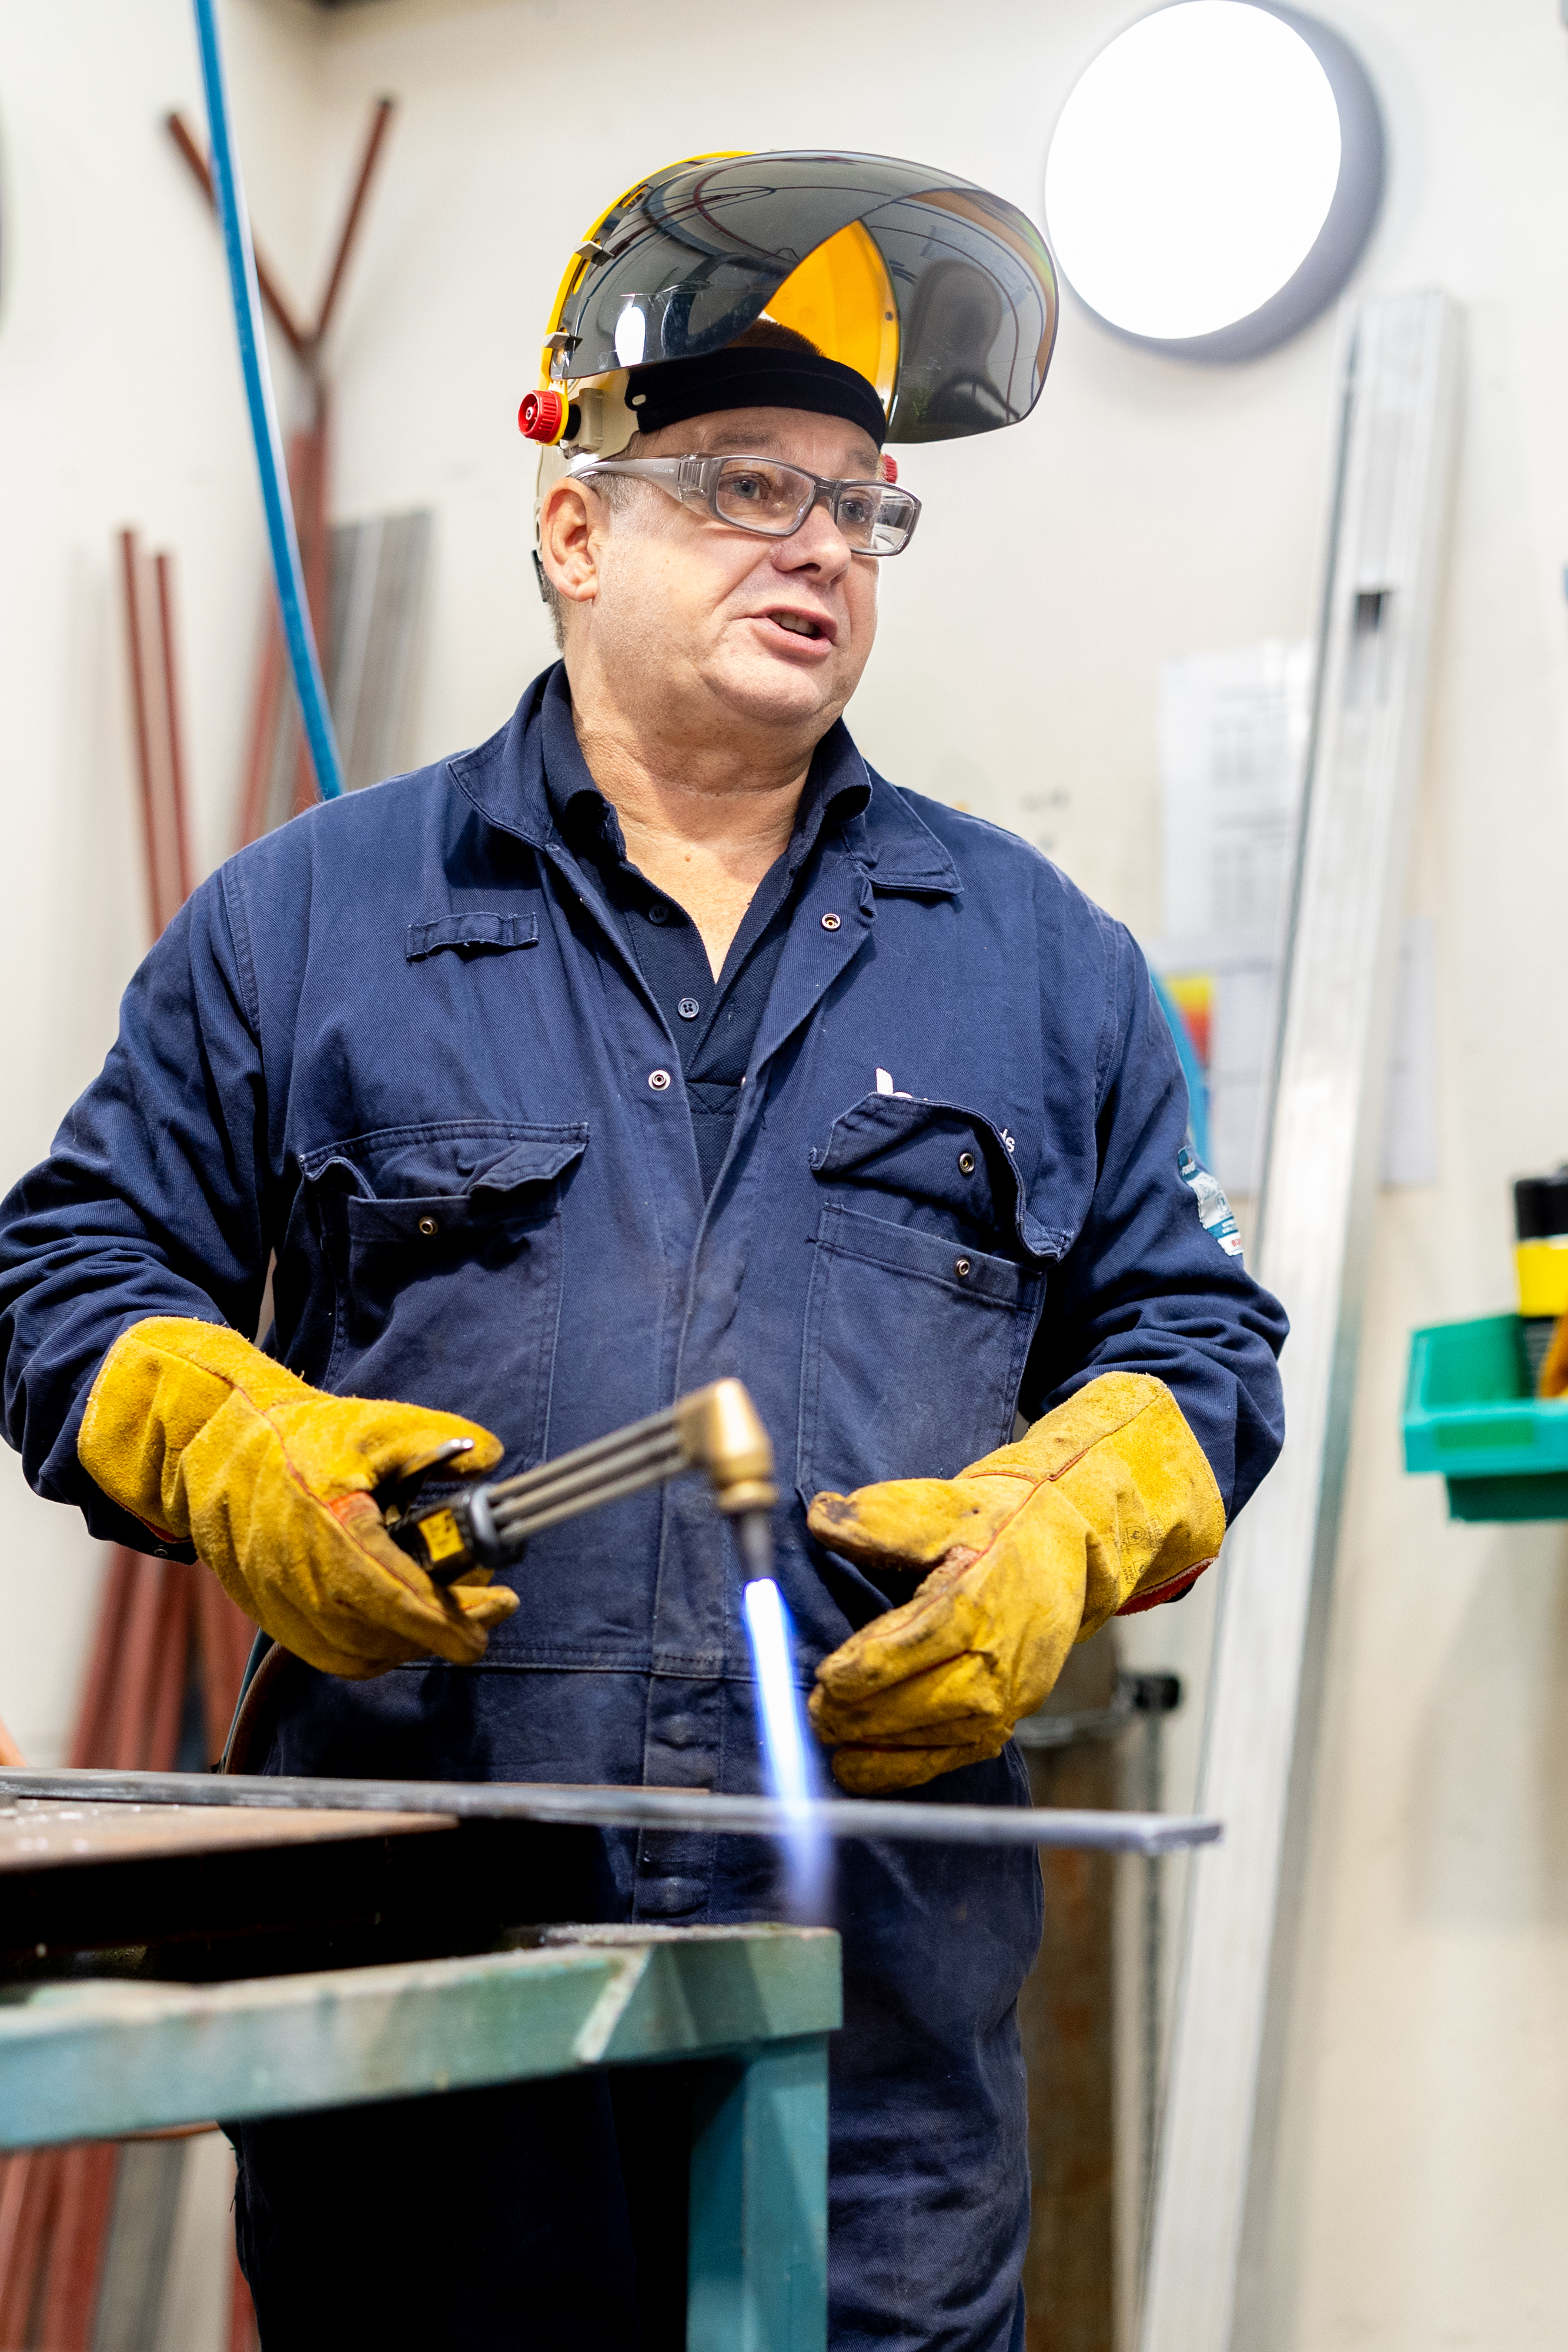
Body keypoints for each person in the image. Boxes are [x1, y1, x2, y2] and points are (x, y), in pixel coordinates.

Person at [0, 152, 1285, 2350]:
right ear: (573, 527)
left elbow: (1200, 1335)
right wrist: (241, 1452)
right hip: (424, 2019)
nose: (819, 541)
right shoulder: (312, 923)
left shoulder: (1038, 963)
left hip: (867, 2029)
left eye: (862, 507)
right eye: (743, 483)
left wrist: (1071, 1520)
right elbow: (72, 1272)